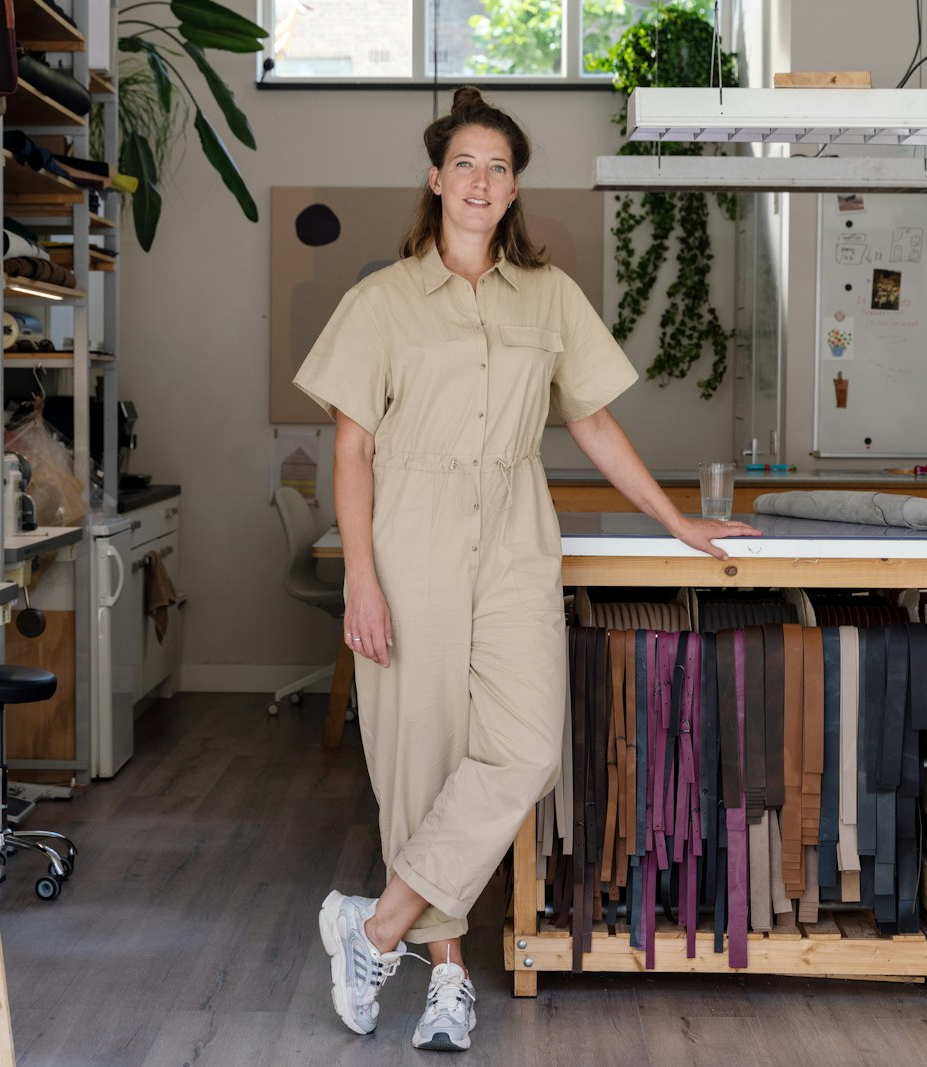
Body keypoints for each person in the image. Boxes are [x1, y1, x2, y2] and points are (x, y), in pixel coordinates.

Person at [294, 86, 760, 1052]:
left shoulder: (549, 295)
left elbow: (590, 419)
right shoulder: (379, 300)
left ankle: (373, 928)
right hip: (409, 536)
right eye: (464, 163)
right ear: (435, 179)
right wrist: (362, 581)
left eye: (498, 167)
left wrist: (676, 518)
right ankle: (447, 981)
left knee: (523, 747)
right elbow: (350, 451)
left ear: (513, 191)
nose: (480, 180)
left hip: (514, 531)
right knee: (419, 762)